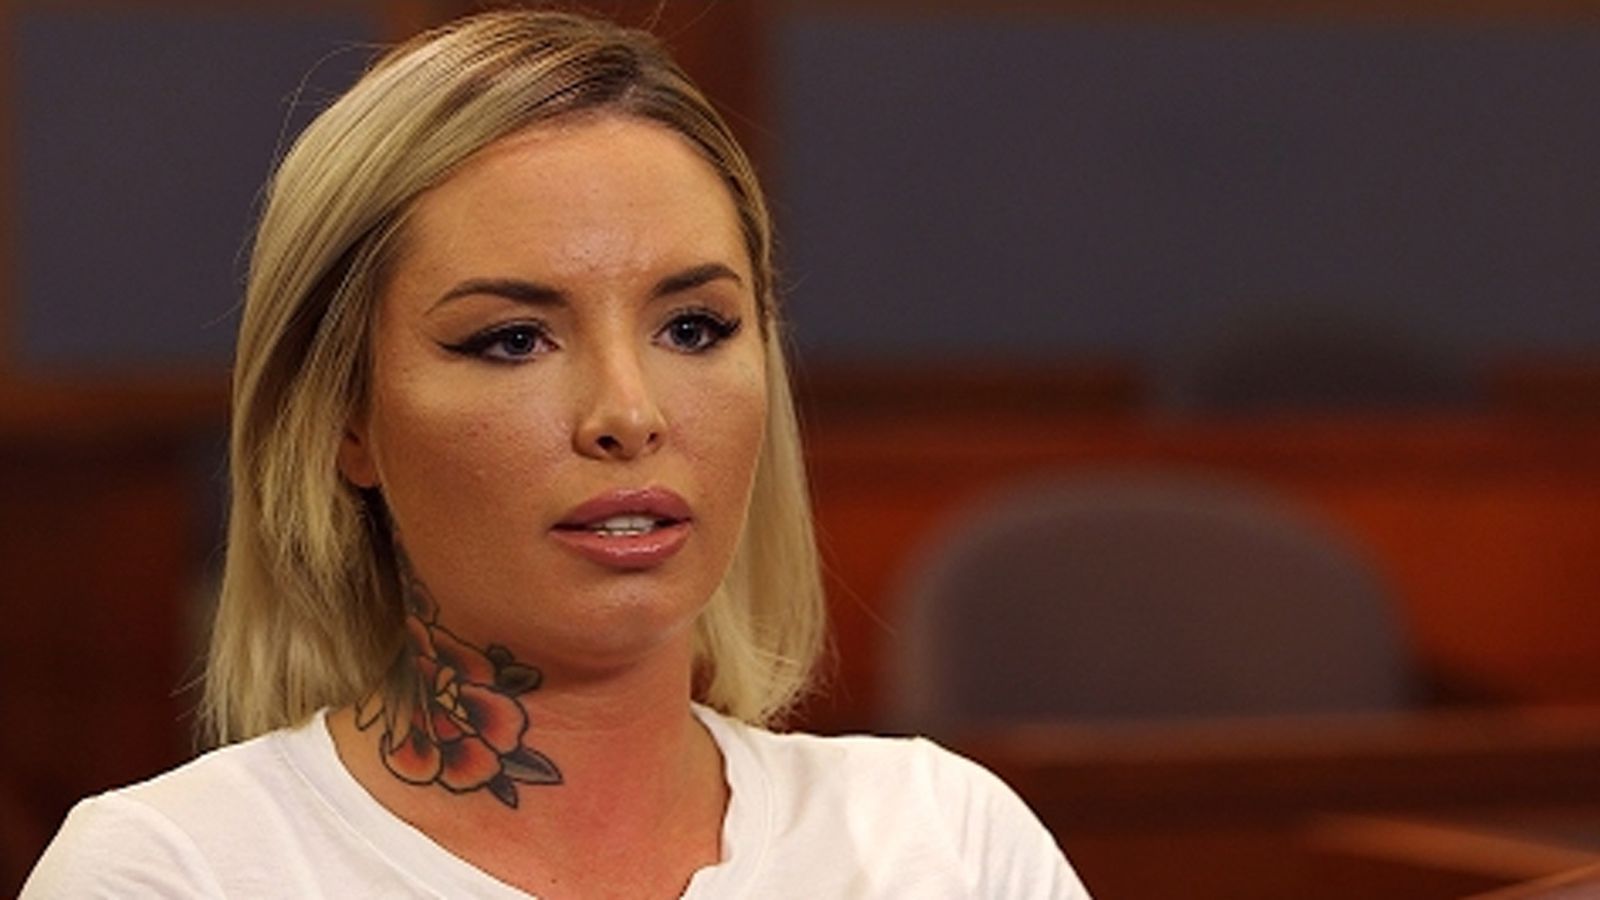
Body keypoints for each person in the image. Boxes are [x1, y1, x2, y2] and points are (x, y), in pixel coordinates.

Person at [23, 9, 1090, 898]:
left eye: (693, 328)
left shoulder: (943, 842)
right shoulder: (177, 871)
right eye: (512, 340)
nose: (628, 412)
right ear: (344, 419)